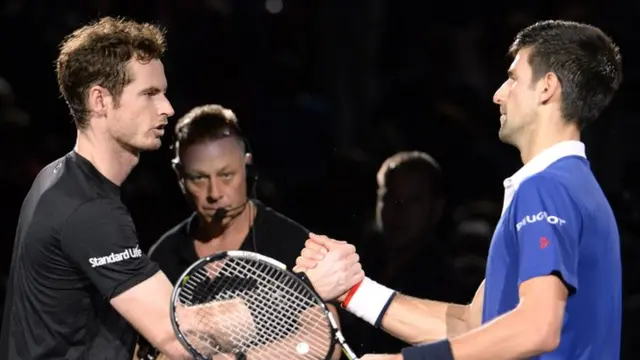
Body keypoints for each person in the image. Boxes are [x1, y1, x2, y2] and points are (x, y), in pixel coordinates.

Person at [0, 17, 362, 360]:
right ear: (100, 100)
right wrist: (302, 287)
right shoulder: (88, 210)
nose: (168, 108)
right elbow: (175, 335)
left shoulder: (58, 179)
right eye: (150, 94)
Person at [295, 19, 623, 360]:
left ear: (547, 88)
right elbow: (474, 327)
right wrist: (353, 290)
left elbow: (538, 327)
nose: (498, 95)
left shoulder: (547, 188)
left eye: (512, 79)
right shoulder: (572, 187)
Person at [135, 104, 343, 360]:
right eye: (199, 178)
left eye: (226, 175)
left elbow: (326, 343)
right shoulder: (164, 255)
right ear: (180, 176)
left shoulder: (291, 243)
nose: (215, 193)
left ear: (247, 166)